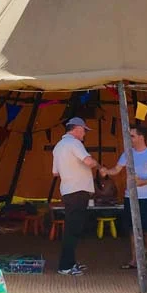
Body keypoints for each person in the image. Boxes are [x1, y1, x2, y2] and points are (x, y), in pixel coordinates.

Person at [99, 124, 147, 273]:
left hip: (146, 198)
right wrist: (106, 171)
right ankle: (134, 260)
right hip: (130, 196)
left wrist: (143, 182)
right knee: (132, 229)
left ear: (141, 137)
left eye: (132, 136)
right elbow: (116, 169)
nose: (129, 139)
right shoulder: (127, 153)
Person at [51, 117, 99, 276]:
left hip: (68, 190)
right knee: (73, 229)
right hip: (78, 191)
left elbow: (55, 172)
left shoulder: (58, 146)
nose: (84, 134)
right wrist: (98, 165)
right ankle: (65, 266)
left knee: (72, 228)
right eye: (84, 130)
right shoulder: (75, 143)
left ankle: (70, 262)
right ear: (77, 129)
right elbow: (89, 162)